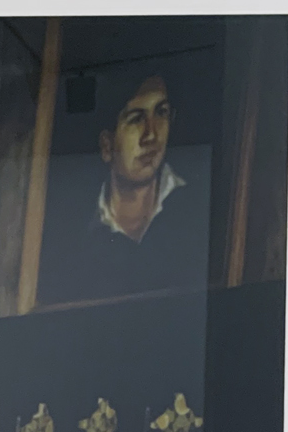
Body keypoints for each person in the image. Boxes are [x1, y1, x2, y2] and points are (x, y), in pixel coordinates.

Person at [44, 69, 210, 304]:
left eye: (161, 112)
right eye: (136, 119)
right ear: (107, 145)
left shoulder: (199, 206)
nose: (151, 135)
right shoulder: (70, 227)